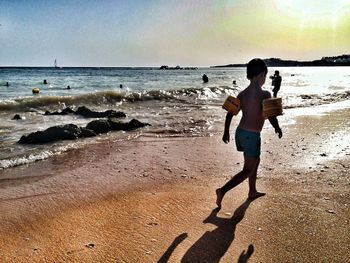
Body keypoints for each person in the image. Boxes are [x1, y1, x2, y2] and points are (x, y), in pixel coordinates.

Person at [216, 58, 282, 208]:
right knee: (247, 169)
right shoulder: (265, 94)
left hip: (240, 133)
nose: (265, 79)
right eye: (265, 76)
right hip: (252, 136)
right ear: (261, 75)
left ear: (248, 76)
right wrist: (277, 128)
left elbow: (229, 113)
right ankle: (222, 190)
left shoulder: (242, 94)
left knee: (255, 161)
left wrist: (226, 132)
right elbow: (271, 115)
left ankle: (252, 190)